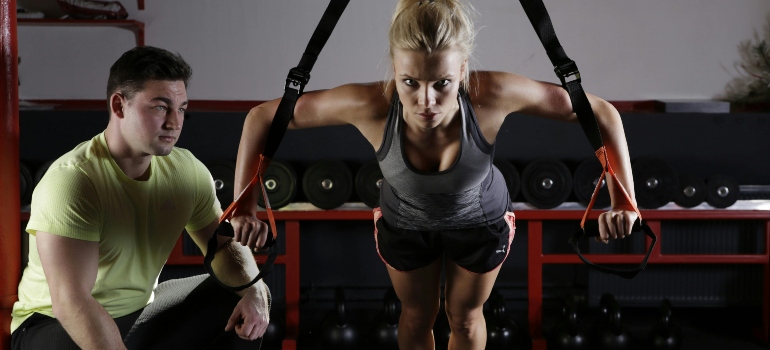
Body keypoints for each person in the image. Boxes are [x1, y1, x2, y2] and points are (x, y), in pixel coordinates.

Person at [232, 0, 638, 349]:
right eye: (410, 82)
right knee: (415, 317)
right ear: (394, 68)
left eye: (442, 83)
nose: (426, 101)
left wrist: (625, 201)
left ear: (463, 69)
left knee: (464, 318)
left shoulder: (491, 94)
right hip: (406, 224)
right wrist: (243, 206)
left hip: (480, 223)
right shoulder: (371, 104)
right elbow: (263, 117)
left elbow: (599, 112)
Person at [10, 46, 270, 350]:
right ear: (119, 106)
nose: (174, 122)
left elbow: (224, 248)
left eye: (182, 108)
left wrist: (255, 293)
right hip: (51, 325)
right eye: (160, 107)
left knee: (241, 298)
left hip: (136, 313)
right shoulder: (74, 181)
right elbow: (72, 301)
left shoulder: (186, 171)